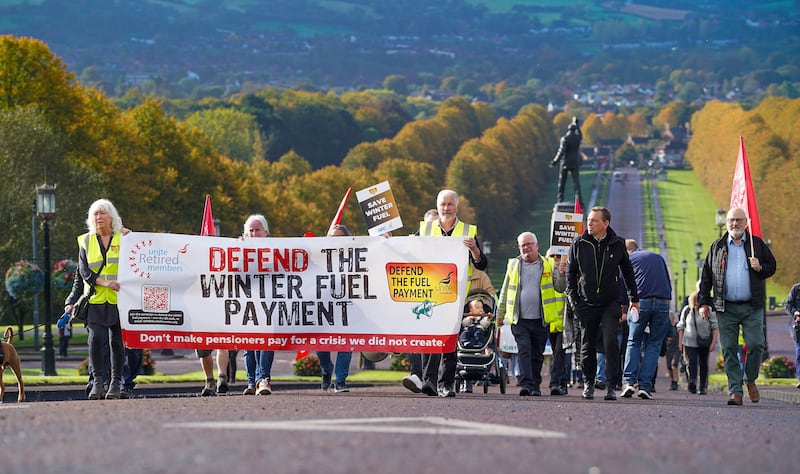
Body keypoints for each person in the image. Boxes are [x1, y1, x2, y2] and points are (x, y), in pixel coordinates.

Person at [405, 190, 488, 398]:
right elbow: (406, 252)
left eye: (450, 204)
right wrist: (386, 240)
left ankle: (446, 384)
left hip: (456, 295)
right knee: (431, 337)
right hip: (430, 294)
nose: (446, 208)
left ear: (456, 207)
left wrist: (475, 251)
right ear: (438, 205)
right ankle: (429, 382)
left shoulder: (467, 230)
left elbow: (482, 264)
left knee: (449, 341)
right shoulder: (426, 229)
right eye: (443, 204)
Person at [698, 207, 776, 406]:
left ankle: (750, 380)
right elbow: (706, 276)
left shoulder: (756, 244)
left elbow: (772, 266)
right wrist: (703, 302)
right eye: (732, 220)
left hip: (752, 307)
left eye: (739, 220)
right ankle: (735, 391)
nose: (735, 224)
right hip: (726, 308)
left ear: (746, 222)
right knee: (730, 349)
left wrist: (760, 267)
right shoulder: (717, 247)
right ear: (726, 223)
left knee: (757, 344)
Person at [565, 206, 638, 401]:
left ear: (606, 223)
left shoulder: (618, 244)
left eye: (594, 220)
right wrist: (574, 301)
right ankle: (589, 382)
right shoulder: (578, 243)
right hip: (586, 303)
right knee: (587, 346)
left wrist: (634, 300)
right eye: (589, 220)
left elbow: (628, 273)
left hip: (610, 302)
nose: (589, 223)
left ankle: (610, 385)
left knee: (610, 342)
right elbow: (570, 274)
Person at [497, 232, 565, 397]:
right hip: (519, 319)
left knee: (537, 354)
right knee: (524, 350)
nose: (526, 248)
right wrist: (500, 313)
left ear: (537, 246)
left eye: (529, 244)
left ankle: (535, 385)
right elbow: (506, 289)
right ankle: (526, 384)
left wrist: (562, 273)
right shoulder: (513, 265)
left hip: (541, 319)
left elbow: (560, 287)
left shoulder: (548, 264)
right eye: (523, 245)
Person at [77, 199, 126, 400]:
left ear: (111, 216)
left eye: (103, 213)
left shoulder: (123, 239)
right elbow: (83, 271)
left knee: (117, 342)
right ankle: (97, 382)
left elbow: (139, 257)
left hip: (120, 300)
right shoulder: (86, 241)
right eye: (95, 214)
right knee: (96, 338)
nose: (99, 217)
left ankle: (115, 383)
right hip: (96, 299)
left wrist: (133, 238)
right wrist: (105, 283)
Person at [620, 239, 671, 400]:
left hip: (640, 302)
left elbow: (622, 284)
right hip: (662, 302)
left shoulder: (628, 259)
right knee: (654, 345)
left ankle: (629, 381)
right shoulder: (658, 257)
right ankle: (645, 385)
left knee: (633, 341)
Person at [240, 214, 276, 396]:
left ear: (266, 232)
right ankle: (251, 381)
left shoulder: (277, 250)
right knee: (249, 344)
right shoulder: (238, 249)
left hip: (269, 303)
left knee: (266, 342)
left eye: (257, 230)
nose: (254, 234)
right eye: (250, 231)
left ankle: (263, 380)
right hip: (245, 303)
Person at [317, 224, 355, 393]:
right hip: (324, 307)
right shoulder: (320, 257)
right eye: (332, 237)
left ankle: (340, 380)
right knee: (321, 346)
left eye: (340, 237)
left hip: (348, 306)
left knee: (345, 343)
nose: (336, 241)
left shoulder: (355, 256)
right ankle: (326, 370)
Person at [677, 287, 718, 395]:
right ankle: (692, 382)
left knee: (703, 364)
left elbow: (714, 327)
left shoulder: (707, 310)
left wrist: (714, 342)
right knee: (691, 363)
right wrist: (680, 342)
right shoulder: (687, 310)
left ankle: (703, 386)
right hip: (689, 342)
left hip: (704, 342)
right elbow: (681, 327)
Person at [545, 249, 569, 396]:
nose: (555, 259)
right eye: (552, 256)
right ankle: (563, 382)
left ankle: (555, 383)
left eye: (558, 256)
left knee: (559, 354)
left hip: (563, 322)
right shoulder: (544, 273)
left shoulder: (568, 271)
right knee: (556, 354)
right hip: (548, 320)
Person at [550, 116, 583, 207]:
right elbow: (580, 135)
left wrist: (555, 161)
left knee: (562, 182)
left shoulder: (565, 138)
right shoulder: (577, 138)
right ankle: (579, 198)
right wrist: (577, 125)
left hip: (565, 162)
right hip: (574, 162)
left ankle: (560, 198)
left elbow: (561, 151)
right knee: (576, 182)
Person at [784, 283, 800, 389]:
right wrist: (796, 313)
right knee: (799, 353)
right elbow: (788, 306)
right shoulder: (796, 289)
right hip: (799, 327)